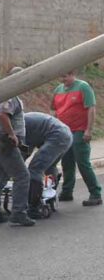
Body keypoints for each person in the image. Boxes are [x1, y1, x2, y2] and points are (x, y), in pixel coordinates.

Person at [0, 67, 35, 226]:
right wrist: (13, 135)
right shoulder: (9, 95)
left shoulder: (2, 93)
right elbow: (2, 114)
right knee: (22, 176)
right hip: (5, 143)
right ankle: (19, 213)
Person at [51, 70, 102, 206]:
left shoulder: (83, 87)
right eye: (61, 76)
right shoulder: (58, 90)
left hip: (79, 131)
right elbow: (54, 111)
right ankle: (67, 192)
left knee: (83, 163)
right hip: (64, 132)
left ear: (73, 74)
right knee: (66, 163)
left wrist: (88, 130)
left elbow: (91, 108)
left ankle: (95, 193)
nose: (63, 79)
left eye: (65, 76)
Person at [23, 112, 73, 218]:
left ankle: (33, 208)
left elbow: (25, 151)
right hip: (65, 134)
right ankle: (50, 199)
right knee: (50, 166)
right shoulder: (26, 119)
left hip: (57, 136)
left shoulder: (21, 125)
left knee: (35, 169)